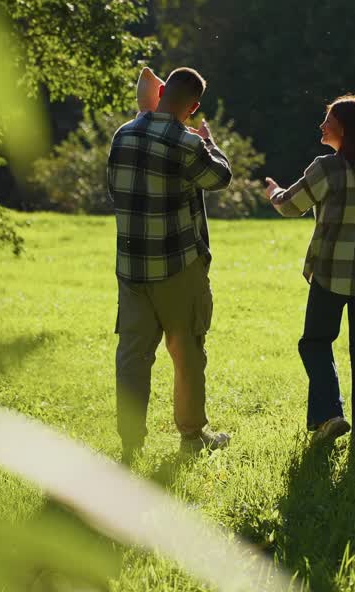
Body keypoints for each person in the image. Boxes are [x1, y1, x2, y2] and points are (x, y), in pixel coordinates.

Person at [107, 66, 233, 462]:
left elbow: (115, 189)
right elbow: (220, 178)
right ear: (193, 107)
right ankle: (192, 437)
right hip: (178, 267)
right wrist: (209, 142)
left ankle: (131, 442)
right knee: (188, 353)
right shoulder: (187, 142)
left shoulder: (122, 134)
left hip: (131, 267)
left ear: (161, 92)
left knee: (132, 355)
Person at [263, 94, 355, 446]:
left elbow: (291, 205)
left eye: (328, 120)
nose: (322, 126)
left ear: (344, 129)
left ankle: (329, 414)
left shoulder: (328, 168)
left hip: (329, 275)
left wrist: (275, 192)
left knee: (315, 343)